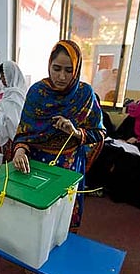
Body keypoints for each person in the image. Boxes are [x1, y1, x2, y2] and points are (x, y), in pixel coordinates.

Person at [13, 39, 106, 233]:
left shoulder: (84, 94)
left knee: (62, 216)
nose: (61, 76)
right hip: (37, 164)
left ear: (77, 69)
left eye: (68, 70)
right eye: (56, 68)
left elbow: (99, 133)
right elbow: (24, 133)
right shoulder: (37, 93)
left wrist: (75, 131)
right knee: (37, 217)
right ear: (49, 65)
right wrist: (20, 151)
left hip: (68, 166)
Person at [87, 93, 140, 208]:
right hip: (125, 146)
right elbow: (119, 133)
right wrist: (126, 139)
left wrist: (138, 142)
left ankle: (134, 199)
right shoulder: (132, 117)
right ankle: (100, 187)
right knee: (108, 153)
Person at [0, 61, 27, 161]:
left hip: (14, 143)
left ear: (10, 75)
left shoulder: (15, 96)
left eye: (3, 76)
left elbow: (14, 124)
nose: (0, 79)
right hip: (9, 143)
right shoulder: (9, 93)